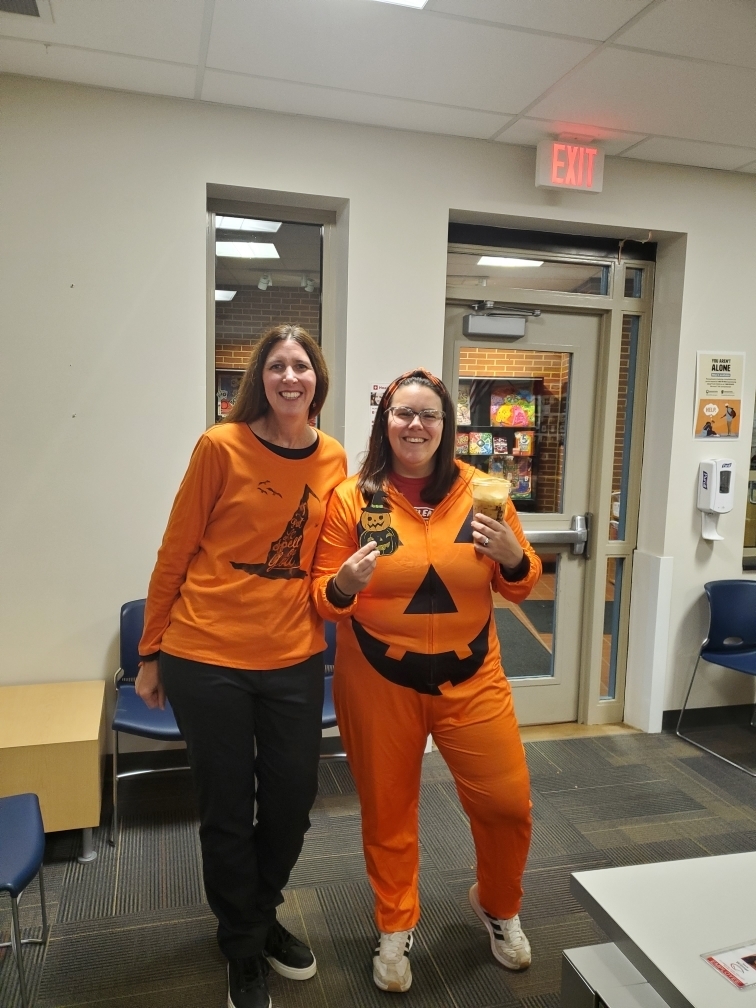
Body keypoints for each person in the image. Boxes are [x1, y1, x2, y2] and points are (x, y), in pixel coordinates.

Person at [135, 324, 347, 1008]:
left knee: (290, 803)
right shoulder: (219, 446)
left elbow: (322, 562)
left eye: (303, 367)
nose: (291, 377)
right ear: (261, 376)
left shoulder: (334, 458)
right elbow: (175, 552)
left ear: (318, 379)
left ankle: (256, 915)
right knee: (227, 811)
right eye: (279, 366)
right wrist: (149, 652)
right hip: (205, 656)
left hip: (293, 658)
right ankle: (243, 948)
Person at [311, 368, 541, 993]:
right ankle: (394, 924)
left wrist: (516, 559)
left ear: (447, 427)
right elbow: (324, 599)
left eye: (429, 415)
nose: (416, 425)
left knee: (506, 803)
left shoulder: (483, 491)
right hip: (377, 677)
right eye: (403, 413)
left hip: (473, 674)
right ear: (385, 423)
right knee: (388, 811)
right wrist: (344, 587)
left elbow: (522, 583)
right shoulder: (352, 500)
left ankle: (497, 904)